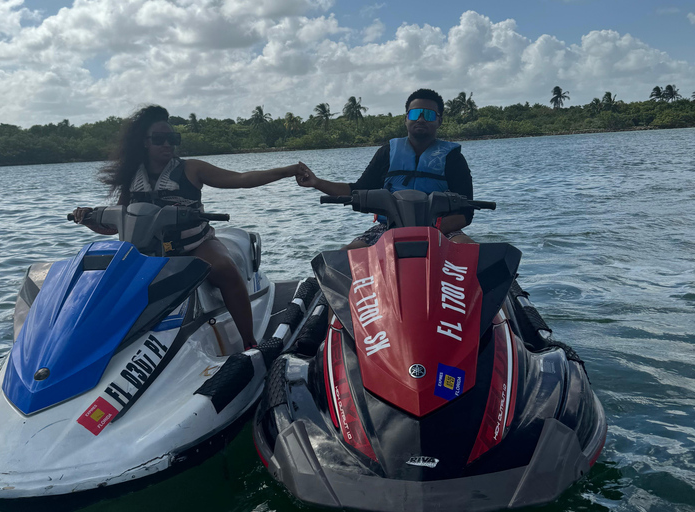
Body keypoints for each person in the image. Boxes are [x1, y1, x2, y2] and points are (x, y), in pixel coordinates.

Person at [72, 105, 305, 350]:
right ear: (144, 143)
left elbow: (241, 180)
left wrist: (287, 171)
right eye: (159, 139)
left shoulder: (191, 169)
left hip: (195, 245)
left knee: (225, 270)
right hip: (148, 253)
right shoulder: (132, 178)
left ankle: (249, 342)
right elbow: (116, 226)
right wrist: (89, 220)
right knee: (105, 283)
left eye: (173, 139)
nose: (167, 145)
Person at [297, 88, 474, 248]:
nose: (420, 119)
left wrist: (430, 229)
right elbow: (356, 190)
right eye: (415, 114)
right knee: (344, 256)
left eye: (428, 115)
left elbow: (466, 212)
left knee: (473, 252)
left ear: (439, 121)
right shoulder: (387, 153)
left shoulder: (453, 158)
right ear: (406, 119)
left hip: (441, 229)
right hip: (388, 227)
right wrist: (316, 182)